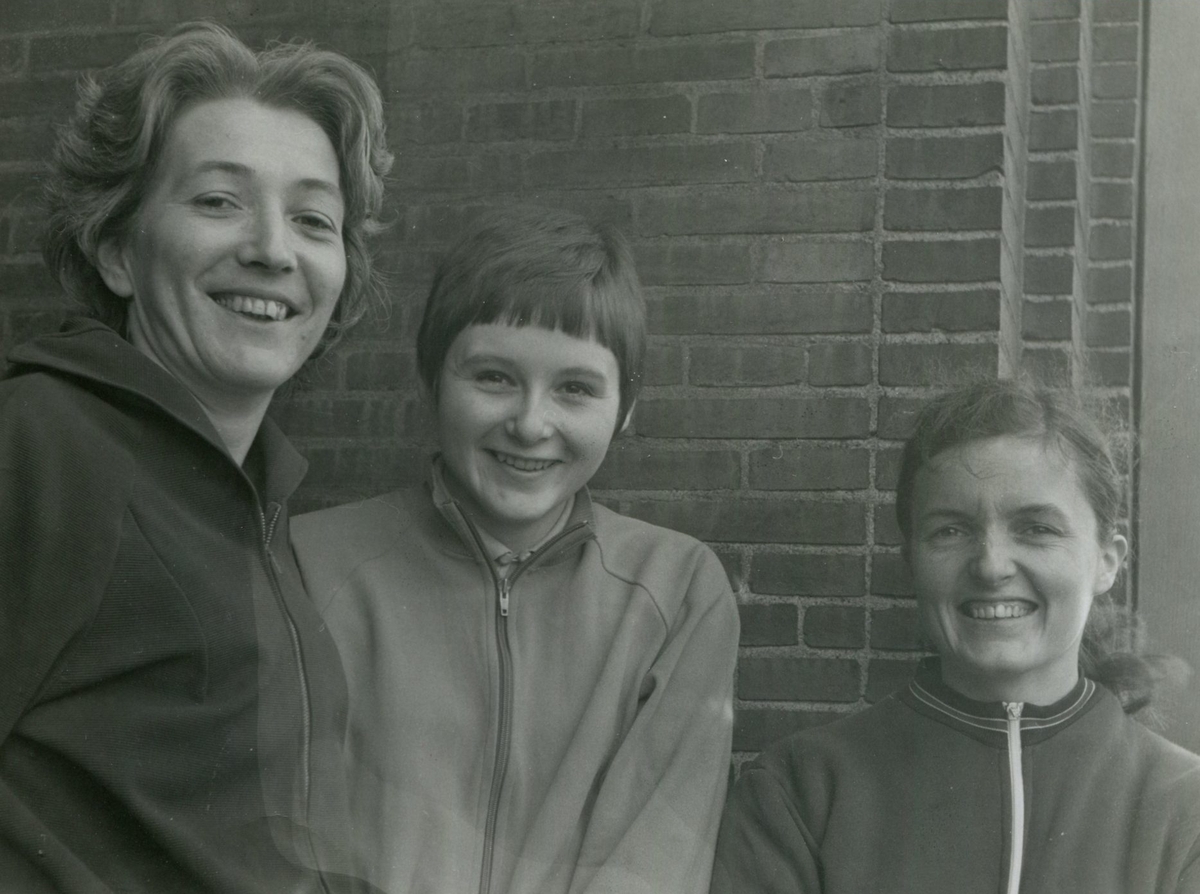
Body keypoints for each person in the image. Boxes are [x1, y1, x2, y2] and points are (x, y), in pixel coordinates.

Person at [0, 22, 391, 893]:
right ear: (115, 248)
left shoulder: (259, 500)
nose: (273, 249)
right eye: (218, 201)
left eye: (313, 218)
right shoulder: (40, 445)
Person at [292, 205, 740, 894]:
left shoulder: (677, 590)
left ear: (626, 407)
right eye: (494, 377)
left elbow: (651, 866)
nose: (532, 423)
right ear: (430, 379)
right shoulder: (308, 565)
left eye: (575, 389)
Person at [711, 379, 1200, 894]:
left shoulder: (1184, 807)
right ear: (913, 565)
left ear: (1107, 561)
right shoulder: (801, 792)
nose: (991, 565)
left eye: (1036, 528)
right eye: (950, 530)